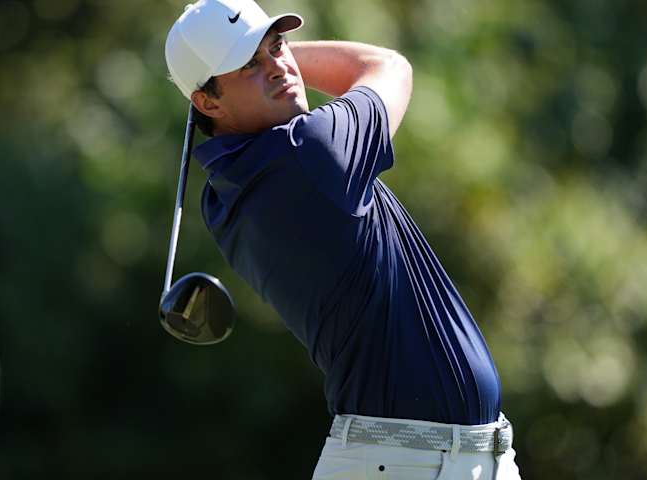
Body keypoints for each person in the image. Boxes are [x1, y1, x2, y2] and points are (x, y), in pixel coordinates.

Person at [165, 1, 522, 478]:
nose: (279, 67)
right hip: (403, 463)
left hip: (434, 458)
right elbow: (386, 66)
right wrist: (283, 57)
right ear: (206, 102)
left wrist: (256, 61)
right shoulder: (309, 154)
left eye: (278, 45)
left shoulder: (224, 193)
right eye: (249, 64)